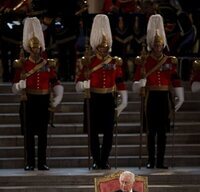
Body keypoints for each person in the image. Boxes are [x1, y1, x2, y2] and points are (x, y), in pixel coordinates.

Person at [75, 14, 127, 169]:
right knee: (93, 133)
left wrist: (123, 100)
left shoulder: (114, 62)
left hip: (108, 98)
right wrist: (84, 84)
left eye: (105, 46)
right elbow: (78, 82)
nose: (103, 49)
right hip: (93, 98)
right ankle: (96, 160)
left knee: (109, 132)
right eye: (101, 46)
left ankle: (105, 160)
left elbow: (119, 82)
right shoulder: (89, 61)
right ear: (96, 46)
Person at [11, 17, 64, 171]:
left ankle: (42, 162)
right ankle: (29, 162)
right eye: (33, 48)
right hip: (28, 100)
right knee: (28, 135)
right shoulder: (23, 64)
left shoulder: (47, 64)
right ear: (29, 48)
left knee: (43, 134)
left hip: (43, 100)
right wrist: (20, 85)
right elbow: (13, 86)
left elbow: (55, 82)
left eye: (38, 48)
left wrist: (57, 98)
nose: (36, 50)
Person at [132, 14, 184, 169]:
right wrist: (140, 84)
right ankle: (151, 160)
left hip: (164, 98)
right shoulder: (145, 61)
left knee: (162, 133)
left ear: (163, 46)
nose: (157, 47)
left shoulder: (169, 61)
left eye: (160, 45)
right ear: (151, 45)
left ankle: (160, 161)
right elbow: (136, 83)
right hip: (151, 97)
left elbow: (175, 79)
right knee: (150, 132)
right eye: (155, 45)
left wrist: (180, 97)